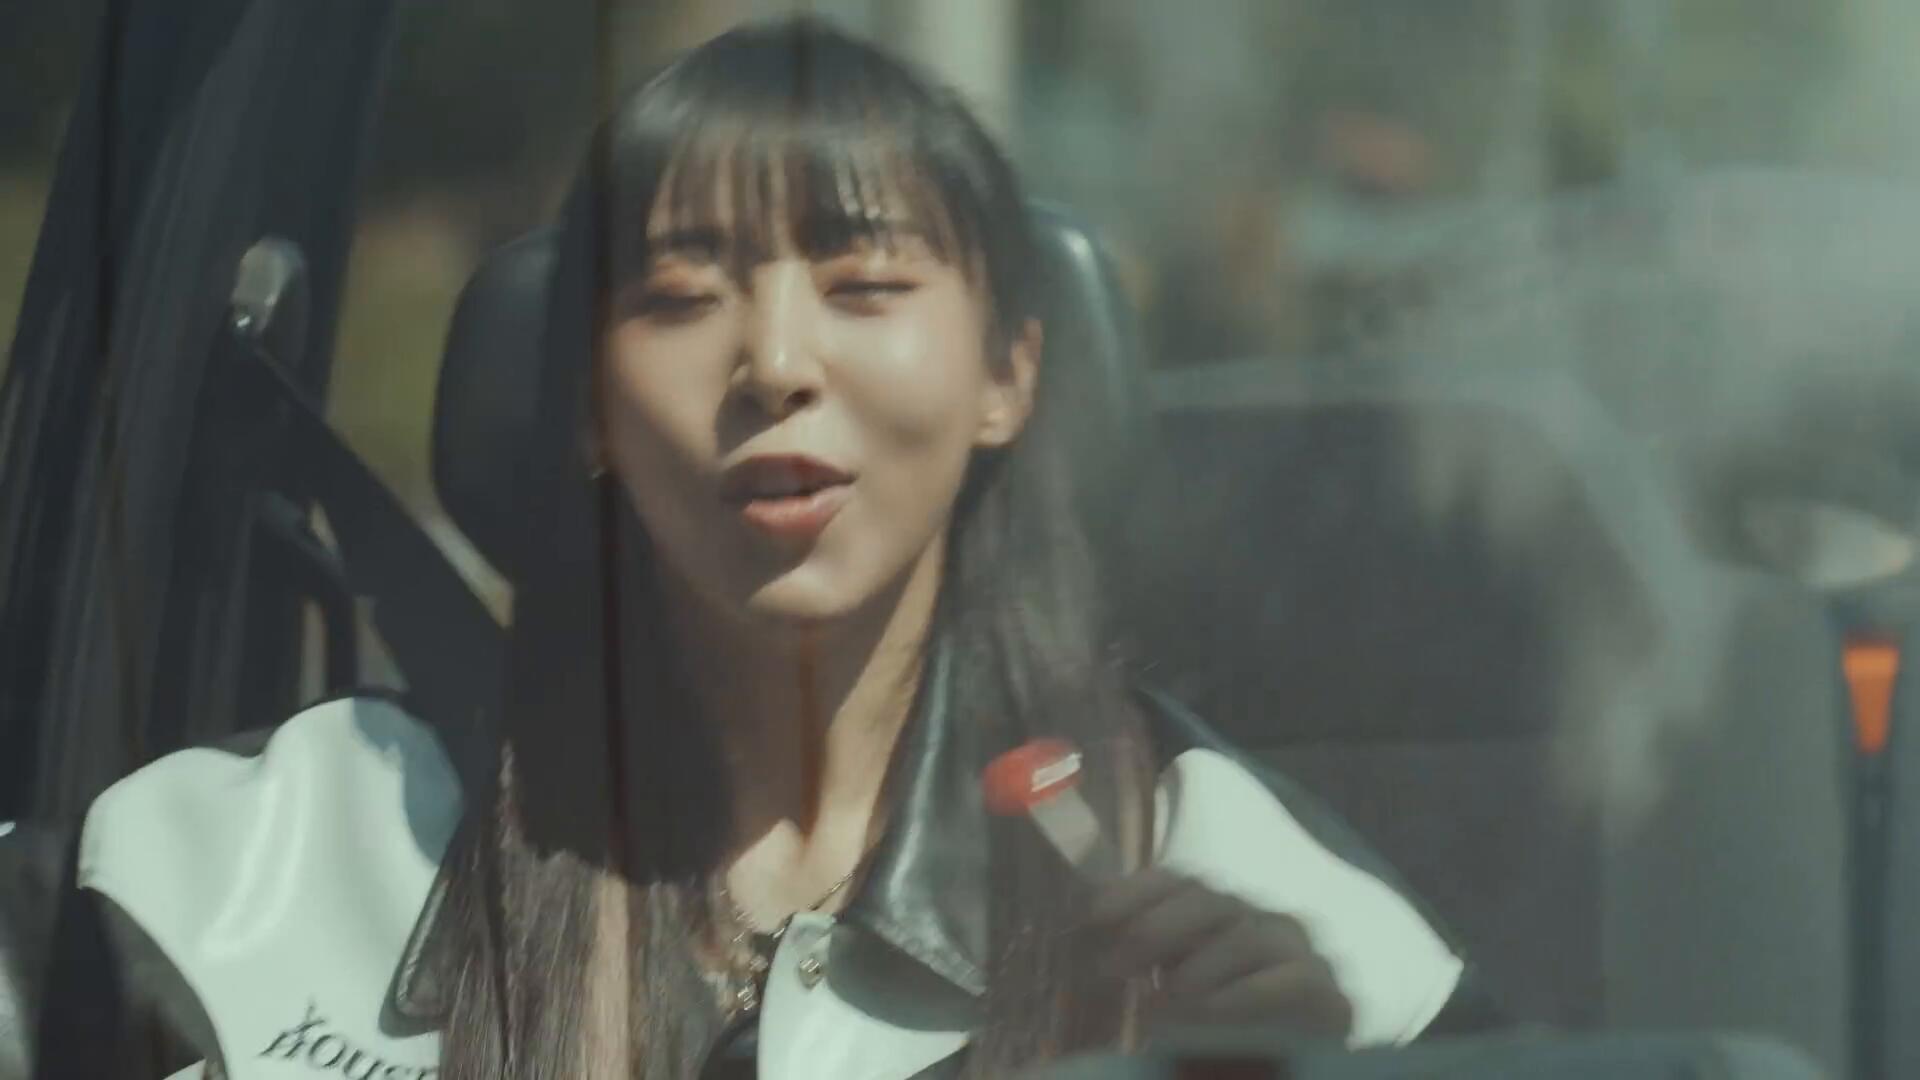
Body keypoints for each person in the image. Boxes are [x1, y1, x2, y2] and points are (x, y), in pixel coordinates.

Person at [19, 17, 1496, 1080]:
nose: (775, 361)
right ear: (589, 407)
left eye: (865, 284)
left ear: (1009, 377)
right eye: (677, 296)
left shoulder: (1229, 884)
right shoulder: (287, 853)